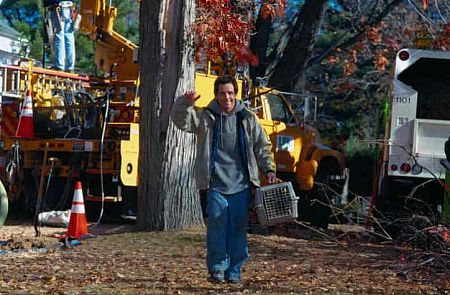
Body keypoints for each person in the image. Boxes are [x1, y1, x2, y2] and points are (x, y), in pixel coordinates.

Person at [171, 75, 277, 284]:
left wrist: (269, 169)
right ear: (216, 95)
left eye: (230, 93)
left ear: (235, 94)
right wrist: (184, 103)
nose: (226, 97)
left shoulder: (247, 118)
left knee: (237, 227)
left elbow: (262, 146)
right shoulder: (205, 117)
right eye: (222, 93)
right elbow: (181, 121)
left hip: (241, 184)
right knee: (217, 225)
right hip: (215, 183)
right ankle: (217, 268)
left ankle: (234, 271)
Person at [45, 0, 79, 72]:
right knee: (69, 36)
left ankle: (59, 65)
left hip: (59, 6)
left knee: (59, 35)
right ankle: (70, 67)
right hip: (69, 8)